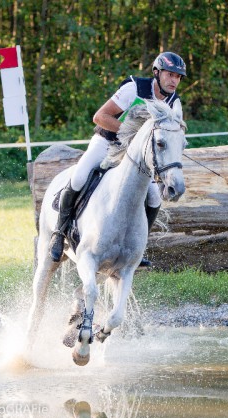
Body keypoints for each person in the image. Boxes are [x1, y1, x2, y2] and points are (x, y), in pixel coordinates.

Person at [49, 52, 187, 266]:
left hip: (136, 155)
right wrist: (133, 133)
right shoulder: (134, 89)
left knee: (154, 197)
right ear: (156, 73)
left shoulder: (173, 102)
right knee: (79, 177)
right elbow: (100, 117)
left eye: (178, 77)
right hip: (107, 142)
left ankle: (137, 248)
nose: (174, 81)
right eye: (170, 75)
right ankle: (59, 233)